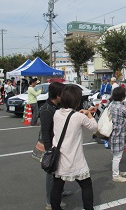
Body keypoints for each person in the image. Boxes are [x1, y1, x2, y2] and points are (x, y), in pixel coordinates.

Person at [50, 84, 97, 210]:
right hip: (76, 160)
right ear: (77, 102)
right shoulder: (79, 117)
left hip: (60, 159)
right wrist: (89, 114)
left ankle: (55, 208)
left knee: (57, 186)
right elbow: (94, 127)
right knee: (86, 186)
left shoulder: (56, 113)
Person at [40, 82, 72, 210]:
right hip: (51, 146)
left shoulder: (55, 106)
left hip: (58, 143)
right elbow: (45, 131)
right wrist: (49, 151)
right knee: (51, 173)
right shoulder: (47, 109)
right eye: (63, 93)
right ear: (58, 95)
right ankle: (49, 201)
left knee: (58, 170)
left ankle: (60, 191)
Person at [110, 86, 126, 182]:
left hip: (113, 133)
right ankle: (115, 175)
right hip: (119, 134)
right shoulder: (122, 107)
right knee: (117, 156)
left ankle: (117, 172)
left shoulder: (111, 105)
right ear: (123, 97)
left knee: (116, 155)